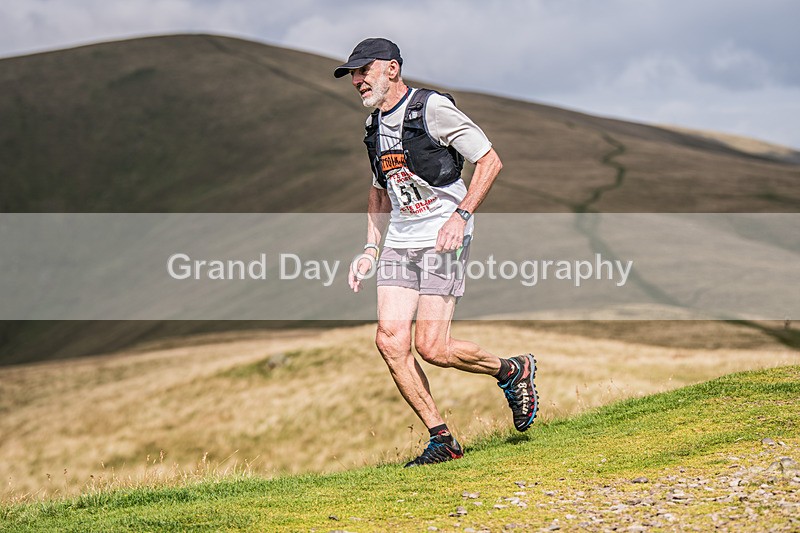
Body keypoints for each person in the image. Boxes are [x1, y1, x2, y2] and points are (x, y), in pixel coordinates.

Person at [335, 38, 538, 467]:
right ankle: (442, 439)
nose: (356, 80)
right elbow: (379, 191)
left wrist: (460, 217)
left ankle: (511, 370)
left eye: (363, 70)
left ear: (391, 69)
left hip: (444, 235)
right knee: (389, 341)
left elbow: (489, 161)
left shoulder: (431, 109)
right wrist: (370, 248)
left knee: (433, 347)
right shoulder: (373, 127)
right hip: (400, 241)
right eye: (353, 74)